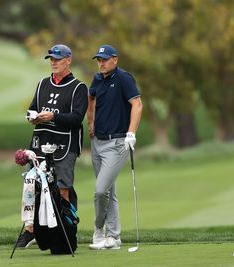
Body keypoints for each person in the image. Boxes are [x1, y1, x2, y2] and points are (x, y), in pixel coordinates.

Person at [16, 44, 88, 248]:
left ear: (68, 60)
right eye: (51, 59)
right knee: (33, 187)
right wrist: (33, 118)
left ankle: (65, 230)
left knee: (63, 188)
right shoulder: (42, 84)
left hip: (65, 145)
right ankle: (31, 230)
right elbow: (32, 110)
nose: (53, 62)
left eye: (58, 59)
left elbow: (76, 118)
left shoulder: (78, 87)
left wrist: (53, 116)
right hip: (40, 143)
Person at [87, 44, 143, 250]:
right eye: (99, 60)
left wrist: (131, 133)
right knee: (108, 190)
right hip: (97, 143)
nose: (101, 63)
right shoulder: (97, 79)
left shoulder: (123, 78)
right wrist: (91, 121)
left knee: (101, 191)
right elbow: (91, 97)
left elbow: (137, 104)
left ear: (115, 60)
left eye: (104, 59)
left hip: (118, 142)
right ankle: (113, 238)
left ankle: (99, 228)